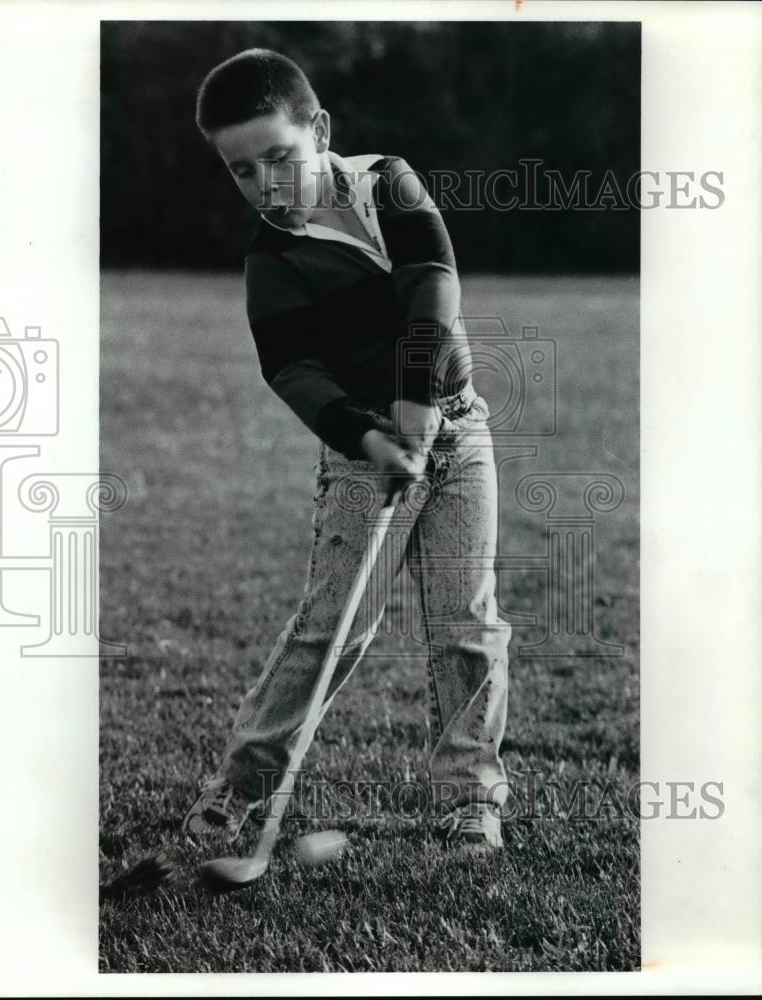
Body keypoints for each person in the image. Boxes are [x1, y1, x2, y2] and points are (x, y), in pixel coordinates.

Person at [183, 47, 512, 850]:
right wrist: (370, 435)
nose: (266, 186)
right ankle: (242, 789)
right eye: (242, 172)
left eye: (280, 159)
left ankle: (470, 796)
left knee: (466, 626)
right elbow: (291, 370)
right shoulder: (273, 259)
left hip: (457, 432)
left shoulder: (385, 181)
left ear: (320, 130)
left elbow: (431, 281)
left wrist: (416, 402)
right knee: (334, 630)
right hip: (363, 455)